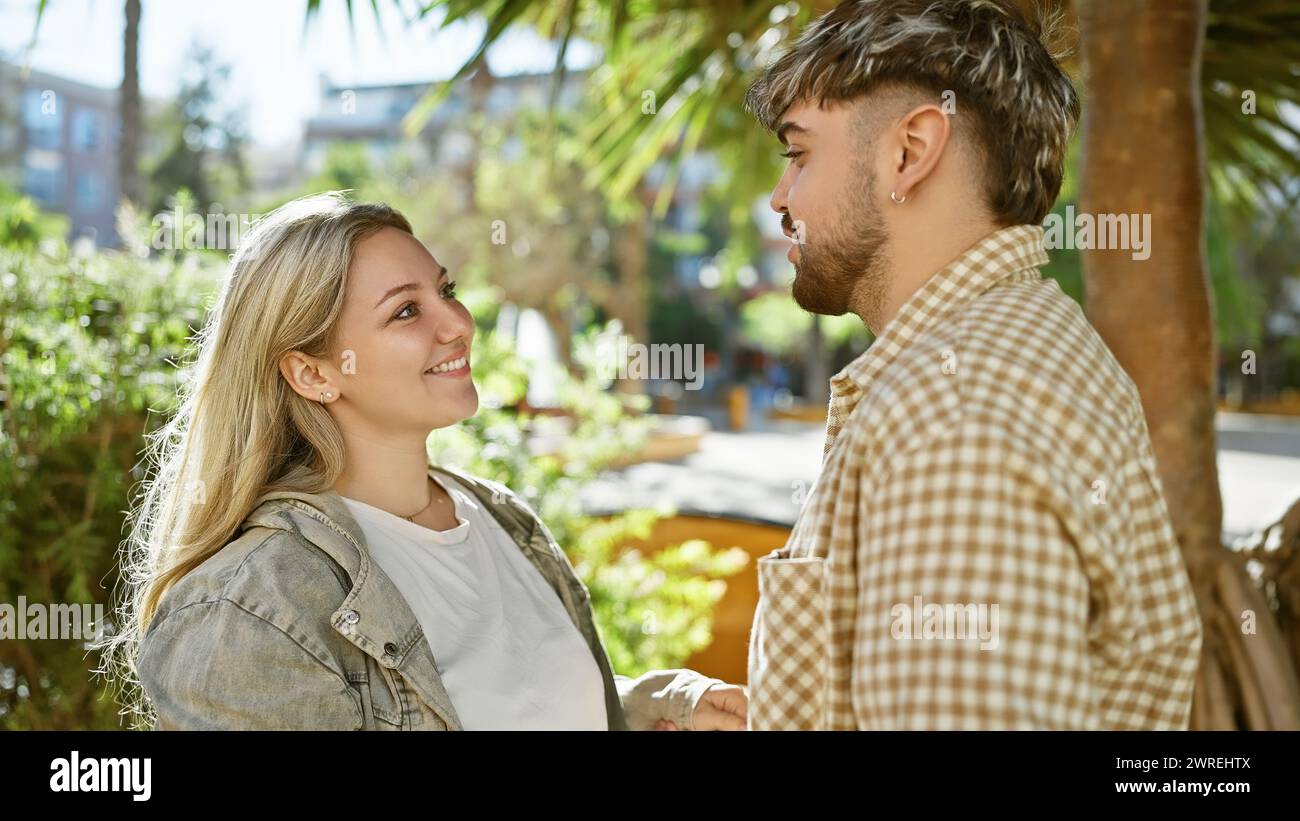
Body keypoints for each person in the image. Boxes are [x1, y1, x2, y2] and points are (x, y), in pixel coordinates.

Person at [104, 192, 748, 730]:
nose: (458, 324)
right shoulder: (245, 610)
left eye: (447, 290)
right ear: (312, 372)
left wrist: (641, 706)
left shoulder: (500, 518)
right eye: (406, 310)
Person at [743, 0, 1201, 729]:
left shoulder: (951, 413)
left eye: (799, 154)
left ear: (910, 151)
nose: (779, 196)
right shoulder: (1022, 347)